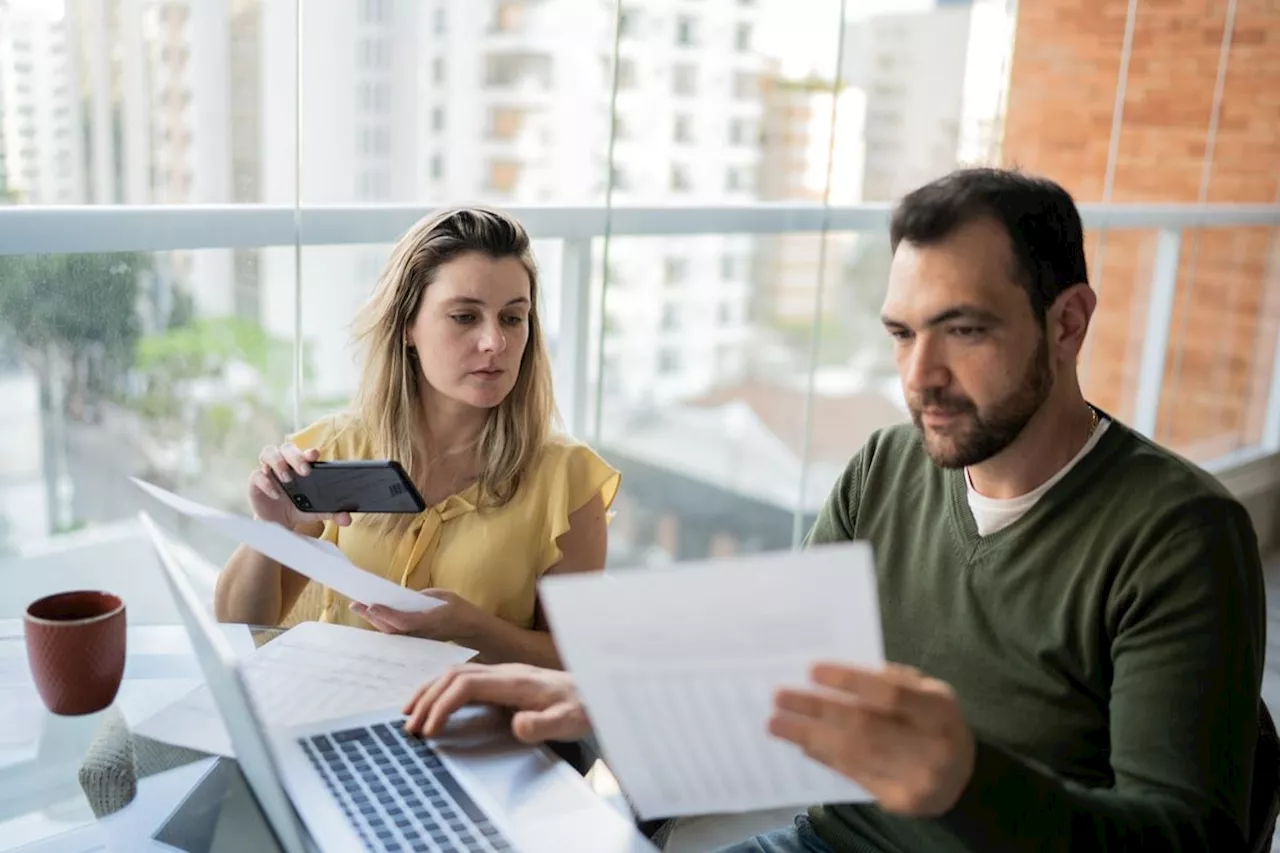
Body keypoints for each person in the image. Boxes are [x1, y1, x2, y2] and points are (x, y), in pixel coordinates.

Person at [397, 169, 1266, 851]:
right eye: (900, 333)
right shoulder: (886, 467)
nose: (918, 376)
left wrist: (965, 781)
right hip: (835, 841)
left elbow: (1187, 836)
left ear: (1068, 322)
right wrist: (603, 694)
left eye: (963, 330)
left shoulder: (1181, 535)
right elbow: (780, 678)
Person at [214, 206, 619, 670]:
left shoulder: (569, 480)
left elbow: (580, 664)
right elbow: (239, 627)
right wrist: (269, 530)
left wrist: (473, 631)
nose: (495, 343)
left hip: (480, 733)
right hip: (338, 716)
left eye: (512, 318)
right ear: (408, 327)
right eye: (465, 317)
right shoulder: (333, 448)